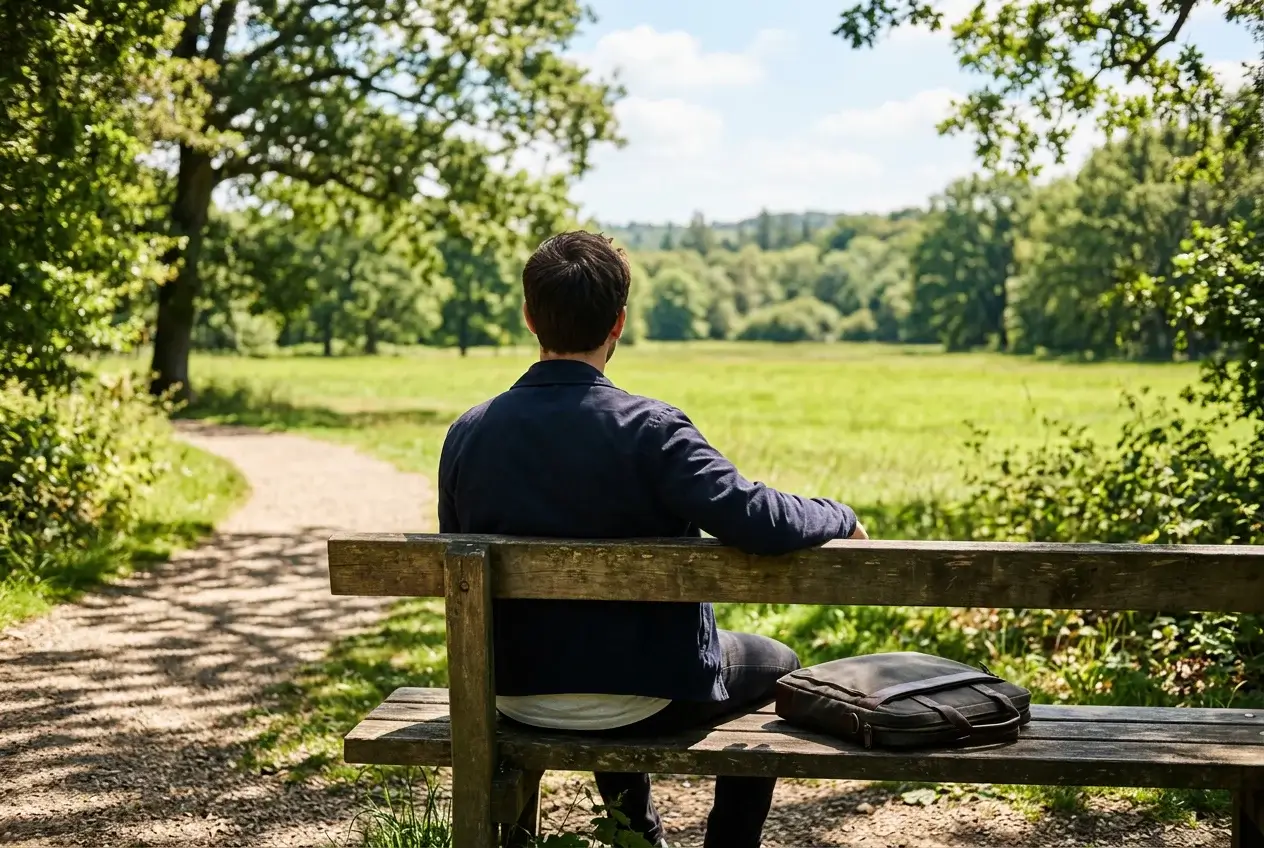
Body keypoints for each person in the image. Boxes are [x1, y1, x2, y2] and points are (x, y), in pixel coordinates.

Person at [437, 230, 867, 848]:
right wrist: (838, 514)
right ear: (619, 322)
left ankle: (637, 833)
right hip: (647, 698)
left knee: (600, 651)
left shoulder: (467, 434)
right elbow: (760, 519)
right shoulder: (652, 431)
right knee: (782, 667)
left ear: (529, 315)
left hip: (510, 695)